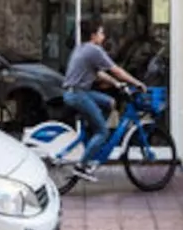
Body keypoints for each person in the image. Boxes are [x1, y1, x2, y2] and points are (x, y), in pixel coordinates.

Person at [62, 19, 145, 179]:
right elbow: (116, 70)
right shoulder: (94, 50)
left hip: (76, 92)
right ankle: (81, 166)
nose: (104, 36)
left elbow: (99, 73)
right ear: (93, 35)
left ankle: (95, 136)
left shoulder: (82, 48)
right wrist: (137, 82)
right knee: (103, 131)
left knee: (109, 102)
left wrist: (116, 84)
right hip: (78, 95)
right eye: (101, 33)